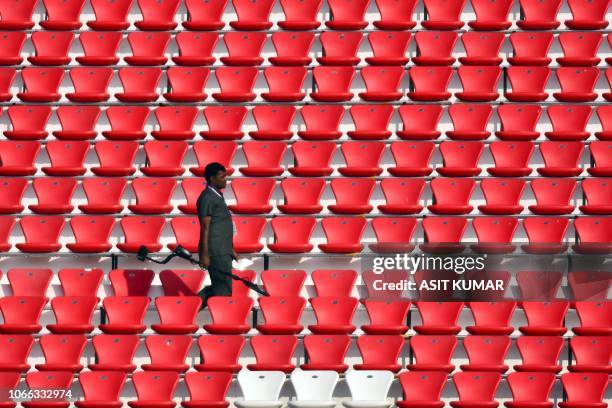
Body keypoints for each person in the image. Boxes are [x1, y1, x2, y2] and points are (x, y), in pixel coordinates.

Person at [196, 162, 239, 308]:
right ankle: (189, 309)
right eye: (222, 177)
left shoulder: (217, 195)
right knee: (223, 292)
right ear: (212, 178)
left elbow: (221, 225)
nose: (225, 180)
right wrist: (205, 254)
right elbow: (205, 227)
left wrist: (230, 248)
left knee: (221, 288)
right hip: (216, 252)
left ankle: (190, 307)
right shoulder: (207, 197)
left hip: (223, 250)